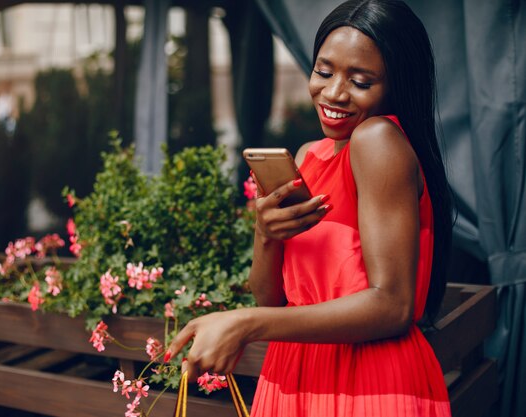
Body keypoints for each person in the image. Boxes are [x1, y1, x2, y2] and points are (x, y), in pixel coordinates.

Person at [166, 0, 453, 415]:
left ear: (395, 84)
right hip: (294, 376)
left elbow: (393, 305)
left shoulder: (377, 140)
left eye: (361, 80)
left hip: (367, 382)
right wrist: (265, 234)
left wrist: (245, 323)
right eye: (323, 71)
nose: (333, 92)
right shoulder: (307, 158)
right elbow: (273, 299)